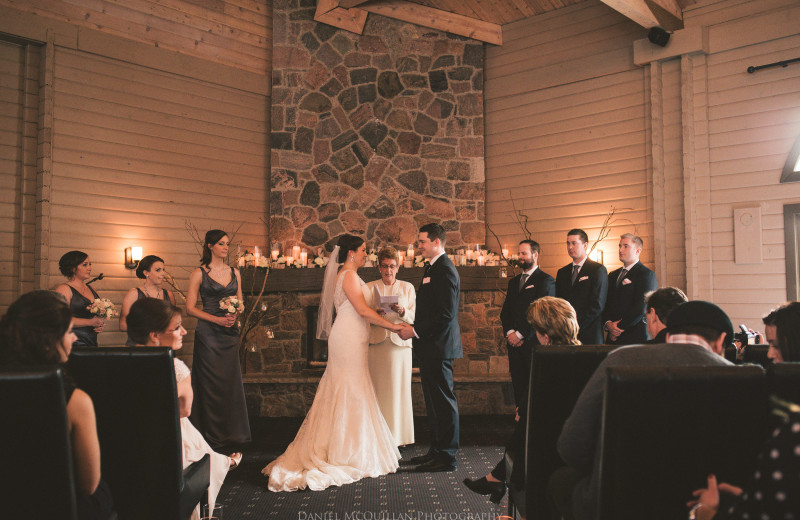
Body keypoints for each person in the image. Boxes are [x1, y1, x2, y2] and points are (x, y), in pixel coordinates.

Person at [549, 300, 735, 520]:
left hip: (616, 504)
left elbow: (571, 446)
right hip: (700, 504)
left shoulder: (621, 359)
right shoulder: (739, 377)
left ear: (667, 336)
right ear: (721, 340)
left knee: (561, 481)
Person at [262, 234, 404, 491]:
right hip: (347, 338)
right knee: (347, 387)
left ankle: (351, 443)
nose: (366, 255)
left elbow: (363, 308)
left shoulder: (350, 275)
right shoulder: (348, 275)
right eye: (363, 251)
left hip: (354, 337)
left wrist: (386, 314)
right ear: (351, 253)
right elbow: (361, 311)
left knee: (354, 386)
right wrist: (395, 328)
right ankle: (343, 450)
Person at [0, 290, 114, 520]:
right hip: (62, 508)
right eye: (69, 331)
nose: (74, 338)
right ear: (47, 342)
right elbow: (88, 484)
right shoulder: (76, 401)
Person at [126, 298, 239, 520]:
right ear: (154, 335)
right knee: (182, 426)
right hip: (166, 452)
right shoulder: (176, 368)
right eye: (177, 327)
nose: (184, 332)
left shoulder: (117, 364)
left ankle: (220, 460)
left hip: (128, 448)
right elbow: (184, 411)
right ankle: (219, 462)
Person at [464, 296, 578, 505]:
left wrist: (523, 412)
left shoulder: (546, 362)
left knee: (524, 426)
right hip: (576, 438)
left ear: (545, 334)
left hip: (547, 445)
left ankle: (497, 478)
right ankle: (496, 478)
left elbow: (535, 409)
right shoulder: (584, 355)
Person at [397, 223, 462, 473]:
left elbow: (445, 314)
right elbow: (430, 309)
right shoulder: (432, 267)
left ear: (437, 242)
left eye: (422, 241)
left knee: (444, 402)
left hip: (440, 346)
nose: (419, 245)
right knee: (434, 402)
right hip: (430, 346)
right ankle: (436, 450)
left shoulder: (445, 270)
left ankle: (447, 457)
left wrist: (414, 331)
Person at [186, 229, 250, 448]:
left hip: (229, 332)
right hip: (208, 334)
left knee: (228, 382)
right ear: (210, 246)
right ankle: (207, 434)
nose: (226, 248)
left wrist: (235, 313)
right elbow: (189, 309)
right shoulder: (199, 273)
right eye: (221, 244)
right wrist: (216, 320)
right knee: (209, 382)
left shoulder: (235, 272)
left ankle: (230, 433)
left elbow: (240, 302)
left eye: (227, 244)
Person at [366, 246, 416, 447]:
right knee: (377, 391)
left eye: (392, 266)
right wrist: (375, 312)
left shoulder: (407, 288)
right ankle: (377, 438)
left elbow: (414, 317)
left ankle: (398, 440)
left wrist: (403, 311)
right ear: (379, 267)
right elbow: (362, 315)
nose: (388, 271)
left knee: (398, 392)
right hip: (376, 344)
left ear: (398, 267)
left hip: (399, 347)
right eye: (385, 266)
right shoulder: (369, 287)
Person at [500, 239, 555, 410]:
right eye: (519, 253)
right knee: (518, 383)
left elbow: (542, 314)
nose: (520, 257)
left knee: (534, 385)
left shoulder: (545, 280)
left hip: (533, 343)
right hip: (514, 345)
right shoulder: (513, 282)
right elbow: (506, 312)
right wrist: (510, 333)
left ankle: (533, 422)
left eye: (524, 253)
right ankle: (519, 416)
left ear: (535, 255)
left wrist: (521, 334)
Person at [555, 229, 608, 345]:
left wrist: (574, 325)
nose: (570, 247)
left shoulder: (597, 270)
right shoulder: (562, 272)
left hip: (589, 334)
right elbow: (558, 302)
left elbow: (597, 305)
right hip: (566, 335)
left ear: (585, 245)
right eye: (568, 243)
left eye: (574, 243)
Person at [602, 233, 658, 344]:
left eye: (626, 246)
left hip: (634, 336)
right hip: (612, 339)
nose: (620, 249)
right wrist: (608, 324)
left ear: (638, 251)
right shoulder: (612, 275)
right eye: (619, 246)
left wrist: (616, 329)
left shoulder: (646, 274)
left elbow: (641, 307)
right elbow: (605, 302)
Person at [119, 255, 176, 346]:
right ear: (146, 273)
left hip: (162, 345)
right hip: (139, 345)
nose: (163, 274)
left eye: (163, 270)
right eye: (158, 270)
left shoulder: (168, 295)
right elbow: (123, 325)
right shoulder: (134, 293)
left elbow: (174, 322)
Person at [55, 251, 105, 347]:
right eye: (85, 265)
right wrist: (90, 322)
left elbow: (94, 316)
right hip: (72, 343)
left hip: (91, 341)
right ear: (73, 268)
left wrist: (98, 324)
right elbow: (60, 319)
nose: (89, 268)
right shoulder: (64, 289)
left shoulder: (91, 289)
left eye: (90, 264)